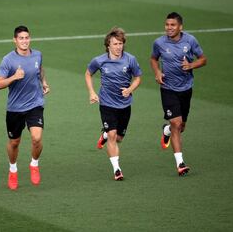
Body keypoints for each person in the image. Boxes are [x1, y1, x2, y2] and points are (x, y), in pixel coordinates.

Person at [150, 12, 207, 176]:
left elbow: (203, 59)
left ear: (180, 27)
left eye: (172, 25)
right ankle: (180, 163)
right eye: (167, 25)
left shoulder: (190, 41)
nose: (169, 28)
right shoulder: (159, 42)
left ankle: (166, 130)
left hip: (186, 88)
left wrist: (191, 65)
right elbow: (153, 59)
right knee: (176, 122)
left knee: (181, 126)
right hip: (168, 88)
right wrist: (157, 72)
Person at [0, 25, 50, 190]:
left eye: (27, 38)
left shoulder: (37, 55)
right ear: (15, 40)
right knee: (14, 142)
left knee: (37, 138)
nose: (25, 41)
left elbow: (40, 69)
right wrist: (14, 77)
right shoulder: (8, 60)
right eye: (21, 38)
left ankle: (34, 164)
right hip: (15, 108)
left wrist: (44, 83)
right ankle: (13, 169)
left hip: (35, 104)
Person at [85, 27, 142, 181]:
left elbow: (138, 77)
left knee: (118, 138)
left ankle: (104, 134)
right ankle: (117, 169)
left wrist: (130, 89)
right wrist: (92, 92)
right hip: (107, 103)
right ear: (108, 45)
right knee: (112, 135)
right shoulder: (99, 60)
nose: (118, 47)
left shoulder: (130, 59)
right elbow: (88, 73)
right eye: (115, 44)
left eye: (120, 43)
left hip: (124, 104)